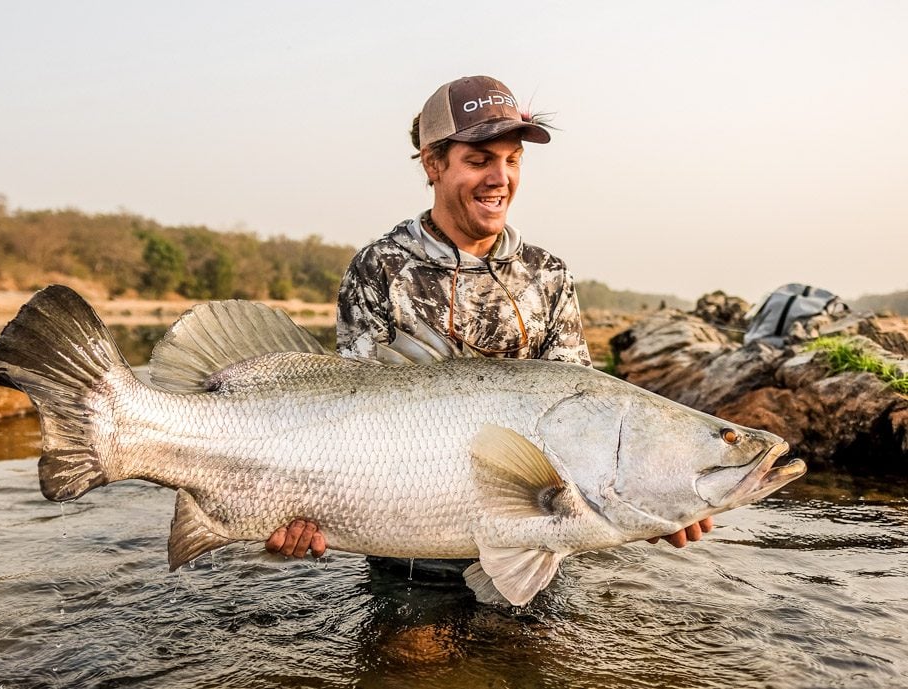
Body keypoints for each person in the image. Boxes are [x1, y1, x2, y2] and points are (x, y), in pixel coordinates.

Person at [266, 75, 713, 566]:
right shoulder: (380, 267)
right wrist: (294, 502)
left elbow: (584, 417)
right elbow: (353, 412)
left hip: (537, 539)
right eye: (479, 161)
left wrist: (651, 497)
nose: (500, 178)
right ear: (433, 164)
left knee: (533, 647)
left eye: (512, 160)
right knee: (414, 646)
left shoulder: (547, 274)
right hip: (410, 541)